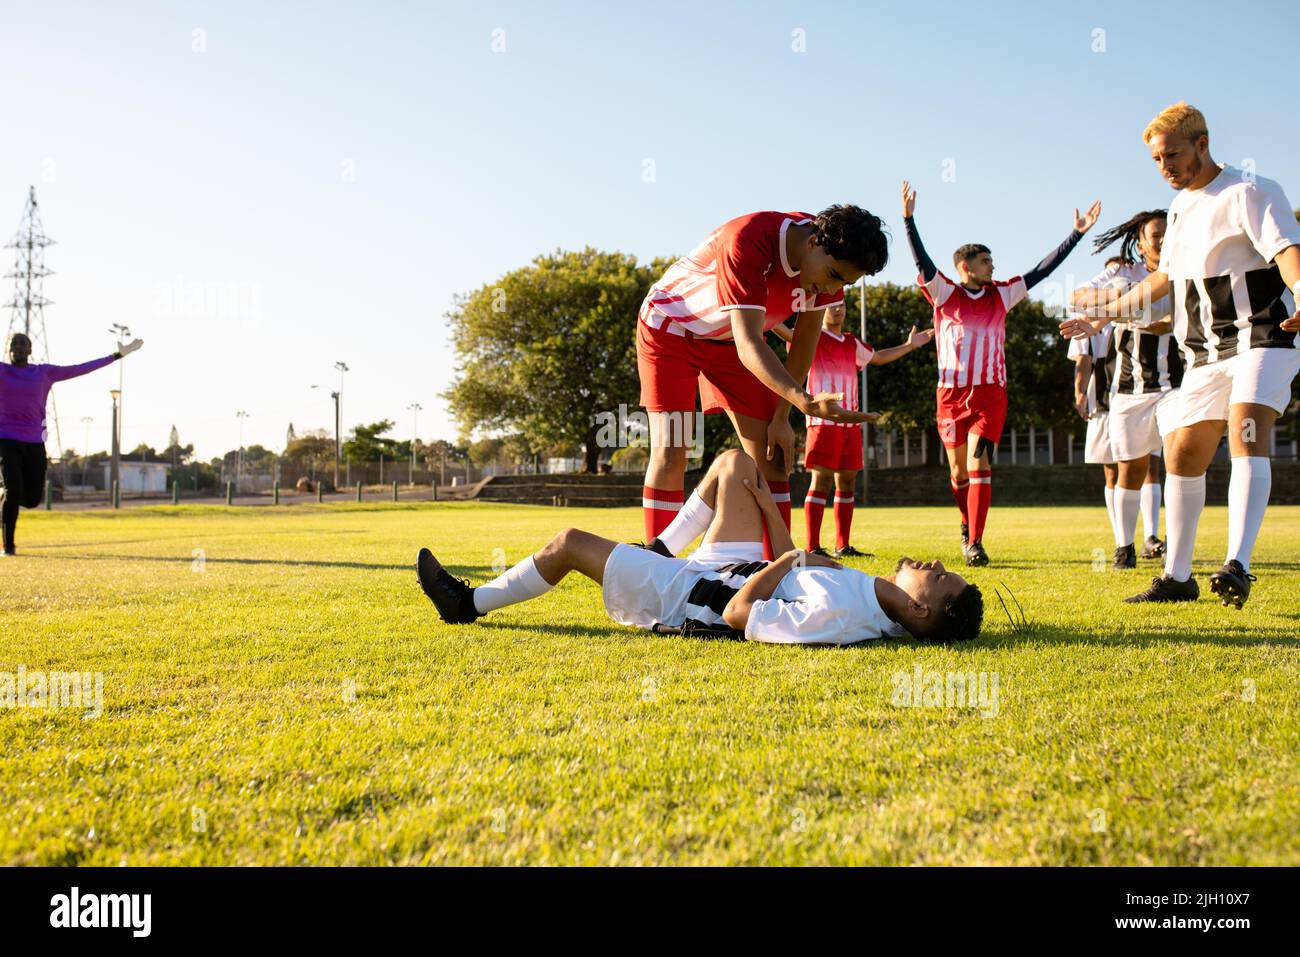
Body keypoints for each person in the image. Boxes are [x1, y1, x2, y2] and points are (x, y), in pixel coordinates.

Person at [1062, 102, 1300, 607]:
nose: (1164, 166)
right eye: (1155, 159)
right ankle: (1178, 578)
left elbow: (1286, 251)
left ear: (1203, 144)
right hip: (1205, 355)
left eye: (1172, 154)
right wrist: (1103, 317)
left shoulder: (1250, 190)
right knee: (1181, 453)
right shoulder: (1179, 209)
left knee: (1245, 428)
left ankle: (1238, 565)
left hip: (1263, 336)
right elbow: (1161, 280)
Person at [418, 449, 984, 646]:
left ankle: (467, 606)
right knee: (736, 465)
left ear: (919, 610)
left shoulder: (842, 618)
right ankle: (662, 546)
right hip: (734, 565)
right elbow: (797, 563)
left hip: (695, 593)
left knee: (567, 543)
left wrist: (784, 559)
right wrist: (766, 510)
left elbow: (741, 615)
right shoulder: (878, 594)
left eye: (937, 578)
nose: (934, 564)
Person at [637, 206, 888, 560]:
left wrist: (784, 416)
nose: (832, 289)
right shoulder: (751, 238)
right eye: (832, 275)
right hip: (670, 328)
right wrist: (804, 400)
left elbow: (802, 347)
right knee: (672, 450)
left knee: (773, 458)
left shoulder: (828, 268)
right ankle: (655, 573)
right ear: (814, 241)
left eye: (844, 284)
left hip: (728, 342)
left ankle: (776, 574)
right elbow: (750, 343)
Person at [902, 180, 1101, 565]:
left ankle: (975, 542)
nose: (993, 266)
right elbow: (922, 263)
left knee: (979, 463)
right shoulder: (945, 293)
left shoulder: (1002, 294)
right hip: (950, 396)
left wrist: (1075, 235)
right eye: (985, 262)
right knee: (958, 472)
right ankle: (966, 525)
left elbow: (1041, 271)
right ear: (966, 267)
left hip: (990, 395)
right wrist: (909, 220)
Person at [771, 302, 933, 556]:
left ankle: (842, 545)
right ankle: (812, 547)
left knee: (847, 481)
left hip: (851, 423)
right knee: (821, 480)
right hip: (823, 422)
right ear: (822, 310)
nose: (838, 310)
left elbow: (877, 357)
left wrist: (910, 345)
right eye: (832, 305)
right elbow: (787, 334)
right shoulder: (812, 335)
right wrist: (766, 314)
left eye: (842, 306)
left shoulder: (850, 342)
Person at [1069, 213, 1180, 568]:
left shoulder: (1188, 268)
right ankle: (1124, 547)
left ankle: (1169, 544)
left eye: (1169, 232)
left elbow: (1172, 323)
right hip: (1129, 388)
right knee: (1129, 468)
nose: (1164, 239)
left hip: (1177, 385)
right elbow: (1079, 294)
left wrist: (1119, 311)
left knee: (1177, 461)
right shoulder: (1124, 273)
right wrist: (1117, 297)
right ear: (1141, 240)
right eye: (1157, 234)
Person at [0, 333, 143, 555]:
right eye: (13, 344)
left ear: (30, 350)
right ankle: (8, 545)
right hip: (6, 440)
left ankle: (5, 496)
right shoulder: (1, 370)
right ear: (8, 350)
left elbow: (81, 368)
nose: (17, 347)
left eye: (22, 344)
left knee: (31, 500)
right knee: (13, 490)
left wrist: (117, 355)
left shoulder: (44, 372)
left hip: (34, 442)